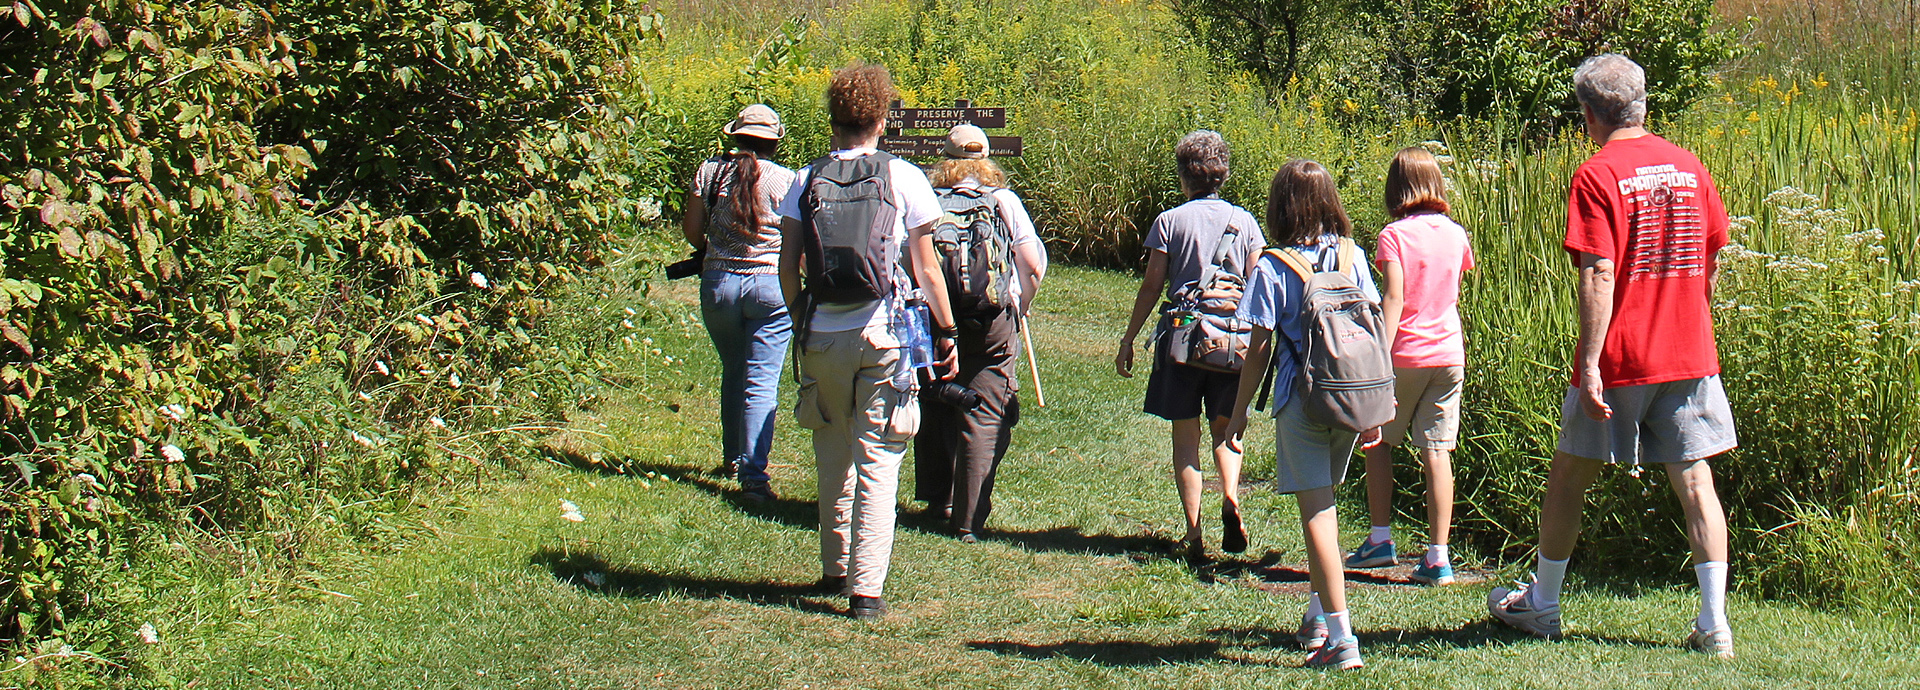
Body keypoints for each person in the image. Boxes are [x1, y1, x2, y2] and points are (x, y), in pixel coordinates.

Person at [1486, 53, 1739, 659]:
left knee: (1570, 474)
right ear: (1642, 104)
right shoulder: (1689, 166)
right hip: (1688, 352)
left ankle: (1543, 604)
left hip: (1623, 355)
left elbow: (1599, 271)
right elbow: (1712, 255)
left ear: (1590, 114)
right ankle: (1714, 624)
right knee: (1695, 481)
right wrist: (1692, 319)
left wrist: (1591, 363)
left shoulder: (1596, 174)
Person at [777, 63, 958, 621]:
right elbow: (926, 269)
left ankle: (835, 567)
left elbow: (788, 267)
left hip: (822, 334)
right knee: (879, 457)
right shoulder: (903, 177)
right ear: (881, 120)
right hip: (883, 332)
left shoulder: (804, 180)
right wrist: (947, 331)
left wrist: (802, 319)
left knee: (832, 450)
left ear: (833, 119)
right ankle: (866, 590)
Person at [1225, 159, 1378, 670]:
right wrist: (1380, 403)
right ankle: (1317, 615)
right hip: (1351, 396)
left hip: (1302, 397)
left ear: (1281, 207)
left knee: (1317, 515)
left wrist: (1239, 411)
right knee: (1326, 503)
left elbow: (1258, 347)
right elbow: (1374, 327)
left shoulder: (1273, 266)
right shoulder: (1353, 256)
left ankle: (1341, 638)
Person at [1115, 131, 1265, 561]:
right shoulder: (1245, 221)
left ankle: (1194, 533)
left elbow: (1151, 285)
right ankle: (1230, 494)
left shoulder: (1170, 221)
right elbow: (1257, 282)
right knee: (1226, 429)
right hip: (1231, 341)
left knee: (1185, 435)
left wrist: (1129, 338)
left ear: (1184, 176)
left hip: (1182, 340)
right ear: (1223, 174)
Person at [1344, 146, 1475, 585]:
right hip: (1449, 354)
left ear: (1395, 188)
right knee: (1437, 451)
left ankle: (1380, 539)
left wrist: (1378, 357)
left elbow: (1394, 298)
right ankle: (1438, 557)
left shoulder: (1394, 235)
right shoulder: (1456, 234)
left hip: (1406, 353)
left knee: (1378, 441)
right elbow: (1452, 290)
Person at [912, 125, 1049, 542]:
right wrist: (1020, 304)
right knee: (985, 412)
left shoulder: (926, 198)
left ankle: (939, 499)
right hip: (991, 320)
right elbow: (1032, 265)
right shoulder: (1003, 201)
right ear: (987, 160)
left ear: (945, 160)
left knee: (936, 397)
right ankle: (967, 520)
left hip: (936, 317)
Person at [681, 104, 798, 503]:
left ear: (735, 136)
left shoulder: (710, 171)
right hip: (770, 286)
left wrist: (714, 250)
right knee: (760, 381)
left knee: (734, 368)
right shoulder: (787, 180)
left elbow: (692, 230)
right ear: (774, 142)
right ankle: (753, 476)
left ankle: (732, 457)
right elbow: (796, 242)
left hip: (719, 284)